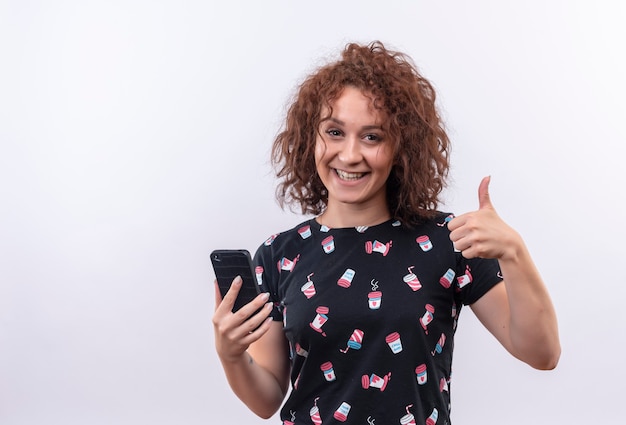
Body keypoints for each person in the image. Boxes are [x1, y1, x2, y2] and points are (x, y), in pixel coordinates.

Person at [212, 40, 560, 424]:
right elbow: (266, 400)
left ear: (401, 147)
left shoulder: (448, 241)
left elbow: (541, 353)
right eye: (334, 132)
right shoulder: (279, 254)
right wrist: (231, 356)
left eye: (372, 137)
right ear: (310, 138)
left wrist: (514, 252)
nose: (349, 155)